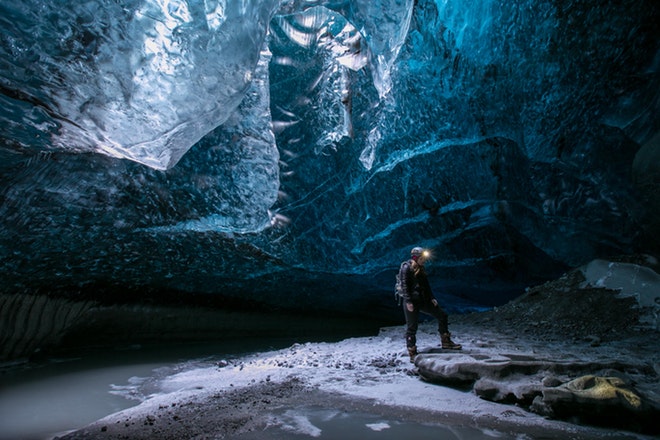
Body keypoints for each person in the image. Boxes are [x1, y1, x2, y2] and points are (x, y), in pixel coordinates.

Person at [399, 246, 461, 362]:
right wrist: (408, 301)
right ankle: (412, 352)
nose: (424, 261)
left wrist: (432, 298)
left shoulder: (421, 269)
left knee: (442, 315)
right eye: (422, 258)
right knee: (412, 327)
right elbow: (404, 286)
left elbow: (426, 285)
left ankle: (446, 342)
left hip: (423, 300)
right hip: (412, 301)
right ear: (416, 257)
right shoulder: (406, 268)